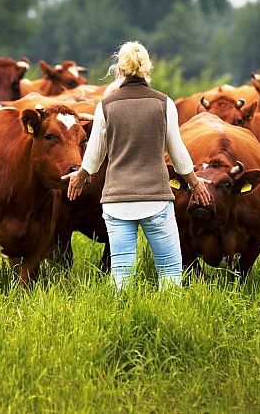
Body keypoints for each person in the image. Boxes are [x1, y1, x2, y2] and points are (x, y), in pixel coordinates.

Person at [61, 41, 212, 290]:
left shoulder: (105, 106)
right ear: (147, 69)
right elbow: (178, 153)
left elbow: (95, 155)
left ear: (118, 70)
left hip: (117, 202)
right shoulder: (164, 104)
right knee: (170, 271)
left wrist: (81, 175)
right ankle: (169, 318)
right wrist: (195, 184)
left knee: (121, 272)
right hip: (157, 200)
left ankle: (123, 320)